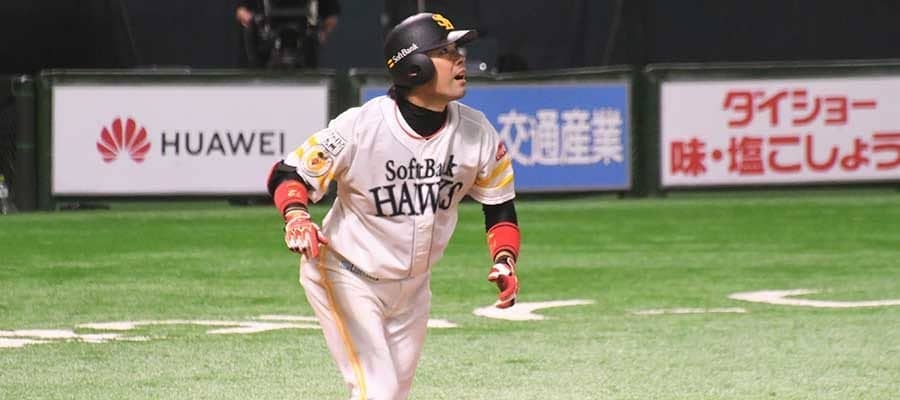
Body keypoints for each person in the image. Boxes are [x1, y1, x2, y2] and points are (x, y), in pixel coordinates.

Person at [265, 12, 521, 400]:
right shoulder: (360, 127)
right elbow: (288, 173)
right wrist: (297, 216)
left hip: (414, 289)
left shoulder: (477, 133)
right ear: (413, 67)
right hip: (347, 274)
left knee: (392, 394)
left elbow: (499, 206)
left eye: (458, 50)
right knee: (378, 390)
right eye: (445, 51)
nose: (460, 58)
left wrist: (505, 259)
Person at [235, 0, 340, 68]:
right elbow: (241, 10)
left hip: (304, 38)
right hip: (267, 40)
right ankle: (256, 73)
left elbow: (332, 15)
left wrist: (323, 32)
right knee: (250, 32)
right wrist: (252, 20)